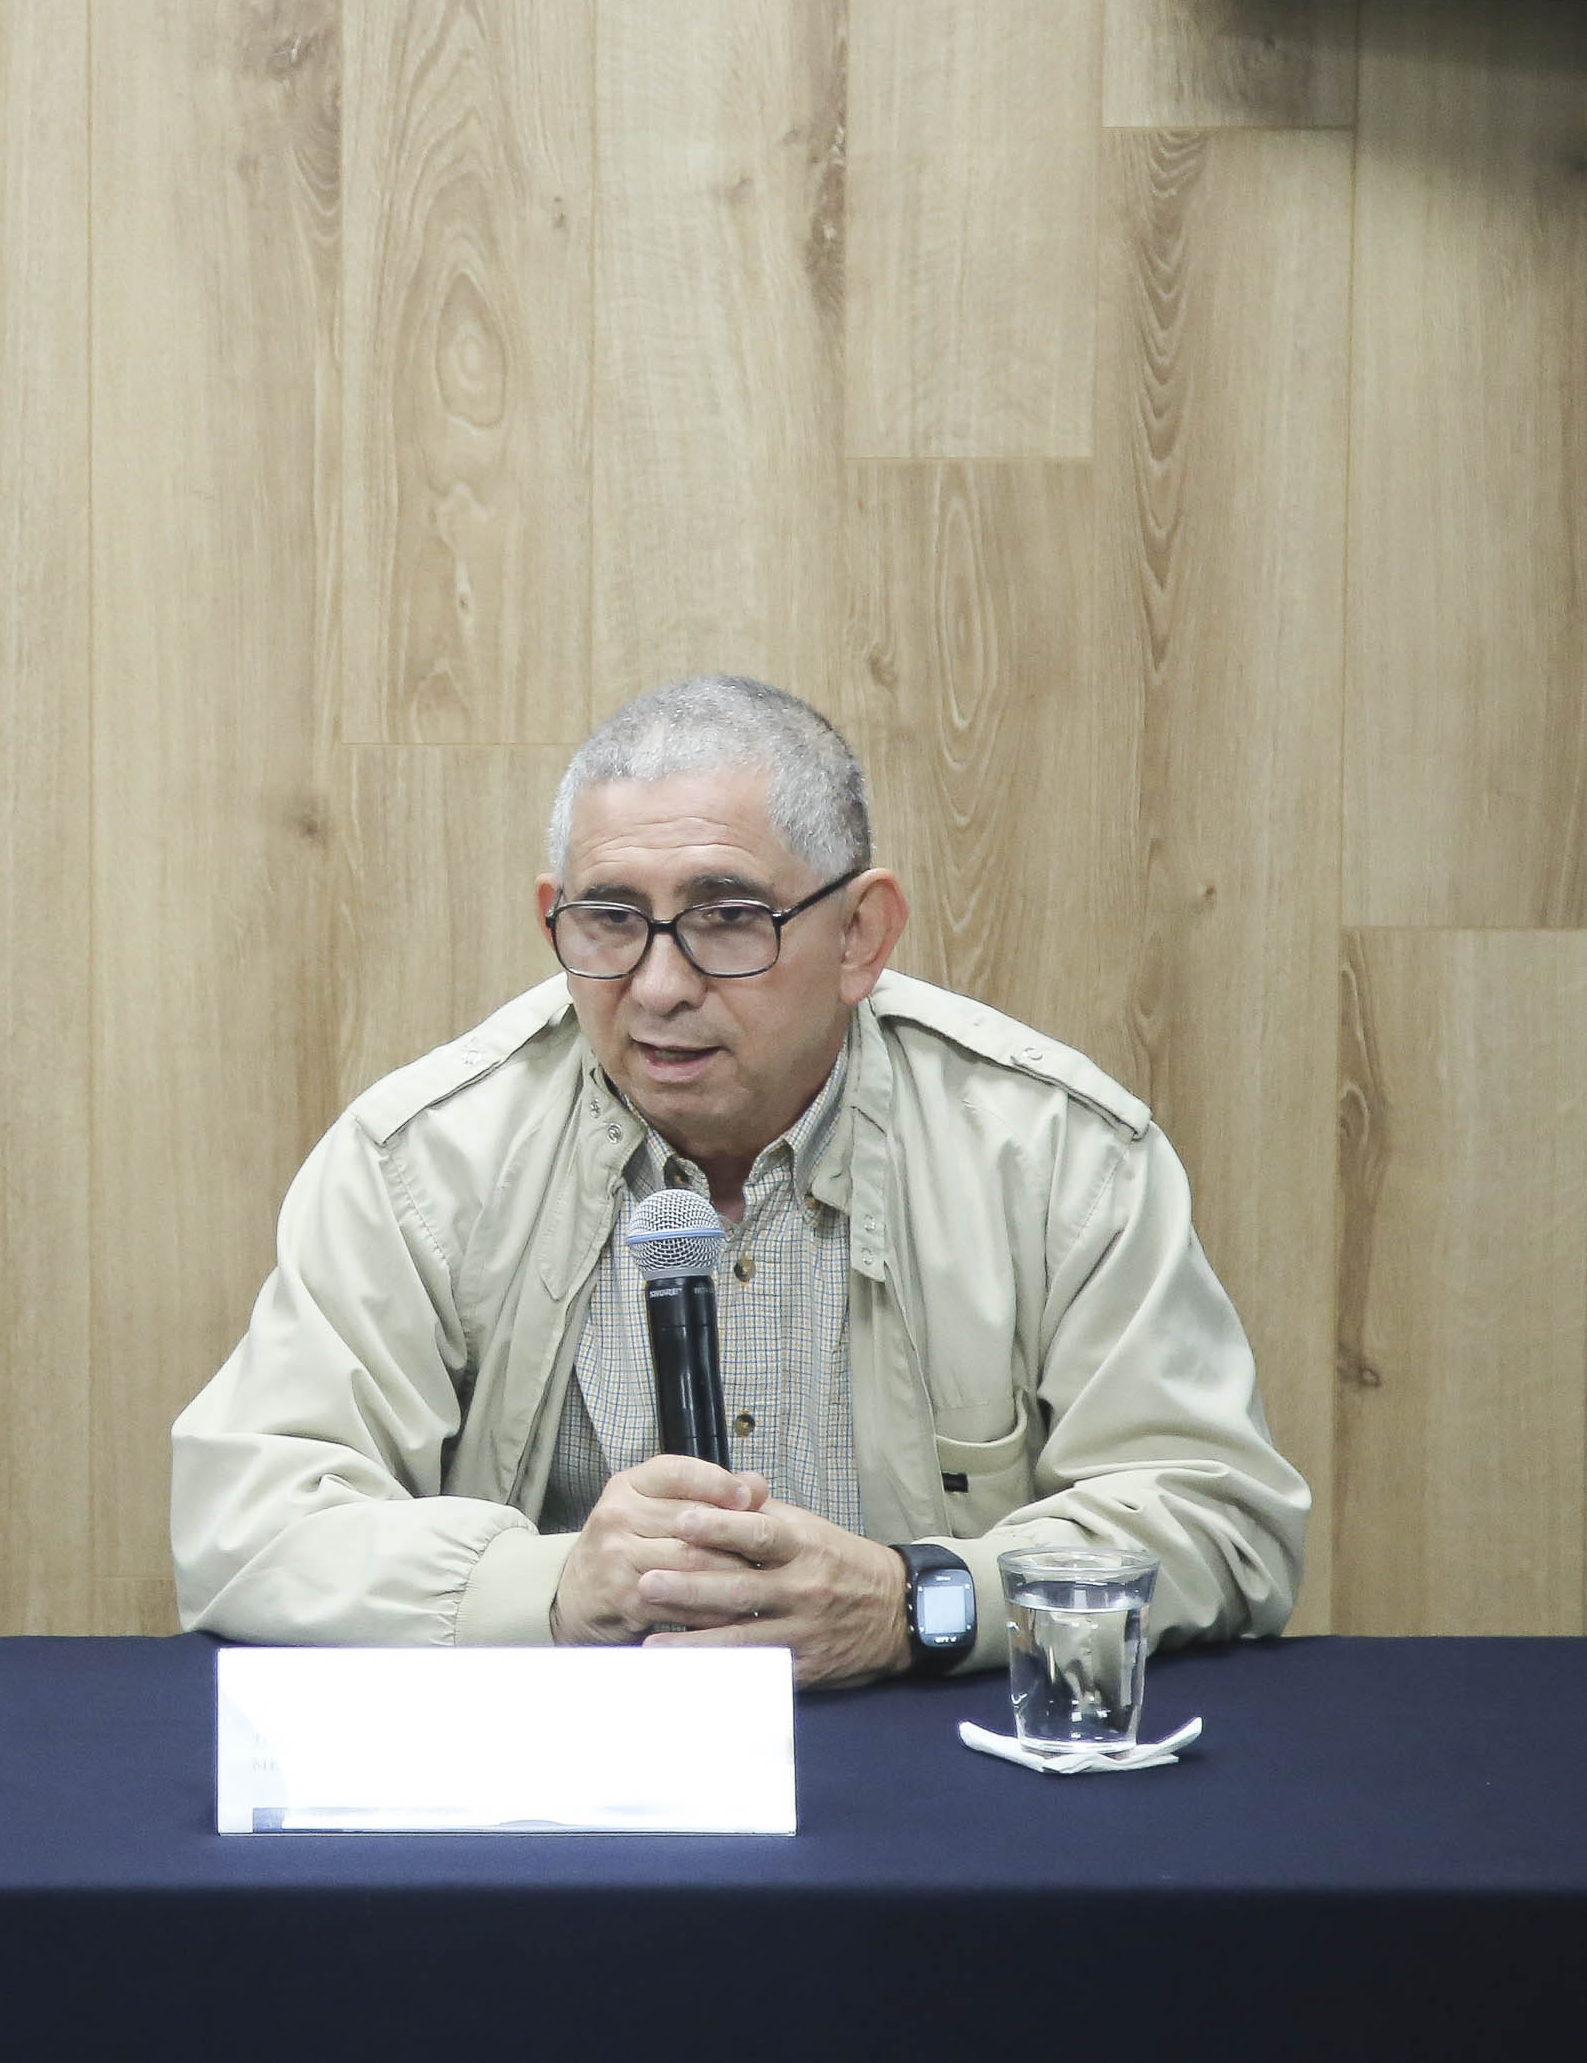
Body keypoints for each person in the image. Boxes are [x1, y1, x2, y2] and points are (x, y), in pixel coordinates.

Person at [170, 675, 1306, 1681]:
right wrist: (554, 1592)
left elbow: (1219, 1513)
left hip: (937, 1782)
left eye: (724, 919)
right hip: (558, 1797)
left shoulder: (1053, 1149)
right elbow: (248, 1522)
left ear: (862, 932)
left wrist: (914, 1603)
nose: (659, 984)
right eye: (610, 920)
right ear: (550, 917)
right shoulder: (423, 1158)